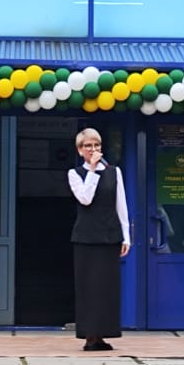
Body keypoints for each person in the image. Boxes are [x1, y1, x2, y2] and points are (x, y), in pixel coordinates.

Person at [66, 127, 129, 351]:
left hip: (109, 235)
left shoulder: (114, 172)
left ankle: (103, 334)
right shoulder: (75, 174)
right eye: (88, 146)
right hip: (86, 238)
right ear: (80, 150)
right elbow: (85, 198)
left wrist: (126, 237)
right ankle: (89, 335)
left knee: (107, 287)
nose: (92, 149)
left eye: (96, 145)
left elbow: (121, 205)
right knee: (88, 287)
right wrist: (92, 170)